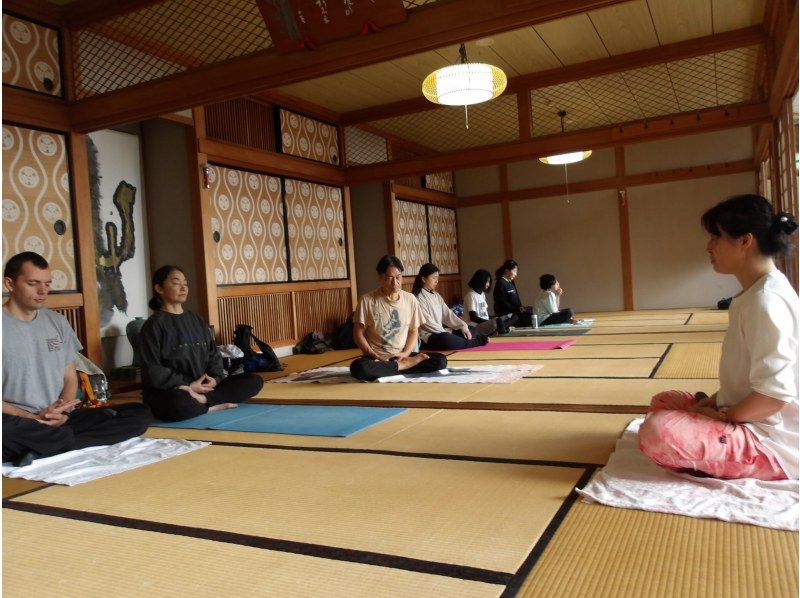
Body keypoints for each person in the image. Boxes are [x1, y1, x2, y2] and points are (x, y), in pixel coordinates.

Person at [639, 195, 799, 480]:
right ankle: (713, 444)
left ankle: (746, 458)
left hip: (771, 437)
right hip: (747, 413)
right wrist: (715, 402)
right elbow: (746, 379)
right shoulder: (755, 293)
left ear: (745, 241)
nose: (709, 247)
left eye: (716, 237)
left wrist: (724, 416)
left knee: (657, 432)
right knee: (665, 401)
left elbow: (774, 396)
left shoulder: (766, 300)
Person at [2, 252, 152, 466]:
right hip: (16, 419)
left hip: (59, 417)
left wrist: (63, 412)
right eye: (33, 283)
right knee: (7, 434)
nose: (43, 291)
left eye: (47, 284)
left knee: (140, 414)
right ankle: (53, 442)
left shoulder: (57, 322)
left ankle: (43, 447)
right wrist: (33, 419)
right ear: (10, 283)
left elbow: (70, 378)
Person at [139, 265, 264, 422]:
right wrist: (189, 386)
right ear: (159, 288)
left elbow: (214, 355)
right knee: (176, 403)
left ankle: (203, 401)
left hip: (204, 388)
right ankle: (210, 403)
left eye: (185, 283)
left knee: (254, 381)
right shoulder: (153, 326)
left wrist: (214, 379)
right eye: (176, 283)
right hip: (175, 390)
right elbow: (153, 370)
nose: (183, 287)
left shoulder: (196, 319)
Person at [350, 255, 447, 381]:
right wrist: (374, 355)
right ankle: (402, 366)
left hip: (400, 355)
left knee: (440, 360)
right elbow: (358, 334)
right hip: (376, 358)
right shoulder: (367, 300)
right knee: (358, 368)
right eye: (390, 278)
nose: (395, 282)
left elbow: (413, 331)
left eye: (398, 277)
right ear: (380, 277)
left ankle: (396, 366)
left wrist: (405, 354)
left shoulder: (410, 299)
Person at [412, 263, 489, 350]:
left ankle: (462, 340)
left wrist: (463, 326)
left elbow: (448, 314)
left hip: (441, 331)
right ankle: (475, 342)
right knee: (446, 339)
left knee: (471, 329)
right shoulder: (417, 297)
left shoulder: (436, 295)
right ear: (423, 279)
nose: (437, 281)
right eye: (434, 278)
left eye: (437, 278)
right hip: (428, 336)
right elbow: (426, 323)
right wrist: (445, 332)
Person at [464, 269, 515, 335]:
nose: (488, 285)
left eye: (489, 282)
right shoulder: (471, 295)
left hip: (486, 324)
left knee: (513, 316)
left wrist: (493, 319)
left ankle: (499, 328)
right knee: (497, 322)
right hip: (474, 326)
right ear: (480, 281)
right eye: (487, 282)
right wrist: (490, 322)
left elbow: (485, 314)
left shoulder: (482, 294)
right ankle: (504, 329)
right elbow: (473, 317)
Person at [493, 259, 533, 327]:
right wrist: (516, 309)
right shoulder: (500, 283)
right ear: (507, 270)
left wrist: (520, 307)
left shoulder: (511, 282)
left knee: (531, 313)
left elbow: (516, 296)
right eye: (514, 271)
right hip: (507, 314)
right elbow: (502, 302)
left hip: (515, 311)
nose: (516, 274)